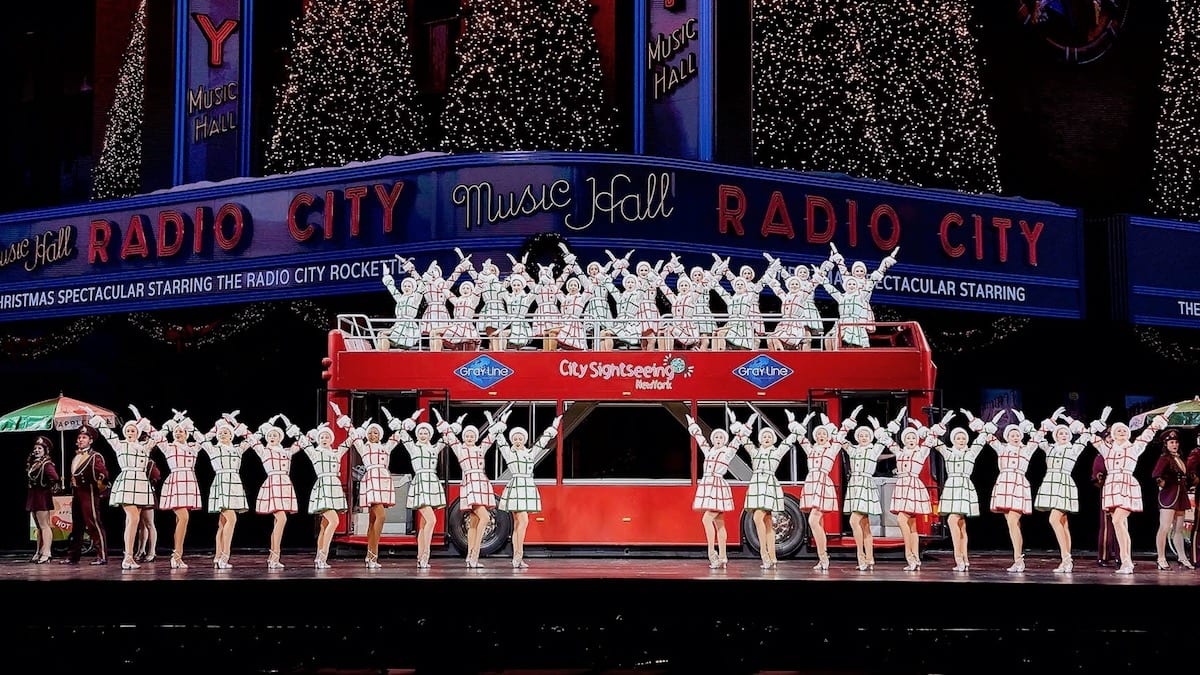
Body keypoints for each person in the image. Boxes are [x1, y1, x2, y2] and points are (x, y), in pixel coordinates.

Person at [1091, 404, 1173, 574]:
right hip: (1111, 486)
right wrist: (1101, 421)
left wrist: (1164, 416)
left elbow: (1149, 433)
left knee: (1117, 521)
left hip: (1127, 484)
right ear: (1113, 434)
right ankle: (1126, 561)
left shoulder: (1134, 447)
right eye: (1118, 431)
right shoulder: (1107, 449)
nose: (1122, 432)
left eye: (1124, 430)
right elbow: (1089, 437)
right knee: (1122, 525)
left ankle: (1126, 561)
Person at [932, 410, 999, 572]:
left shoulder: (971, 452)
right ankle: (964, 559)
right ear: (953, 440)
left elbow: (983, 436)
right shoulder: (948, 453)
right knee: (960, 524)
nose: (961, 440)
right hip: (951, 487)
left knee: (953, 521)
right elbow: (932, 440)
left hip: (964, 487)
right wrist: (942, 424)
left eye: (963, 438)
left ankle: (959, 559)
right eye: (957, 438)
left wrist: (973, 419)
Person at [90, 406, 157, 570]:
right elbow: (106, 432)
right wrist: (95, 417)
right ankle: (127, 557)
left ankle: (129, 556)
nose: (130, 432)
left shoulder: (145, 446)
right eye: (128, 429)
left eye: (133, 430)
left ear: (139, 432)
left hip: (141, 483)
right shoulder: (119, 444)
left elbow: (159, 437)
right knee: (133, 518)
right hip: (127, 481)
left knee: (132, 521)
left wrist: (144, 423)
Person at [495, 412, 560, 569]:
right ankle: (517, 556)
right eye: (515, 439)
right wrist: (501, 424)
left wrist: (553, 427)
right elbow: (500, 440)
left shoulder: (530, 453)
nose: (518, 441)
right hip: (516, 487)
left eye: (520, 438)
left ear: (524, 440)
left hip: (527, 487)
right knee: (522, 521)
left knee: (519, 523)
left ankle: (517, 557)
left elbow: (542, 442)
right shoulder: (509, 454)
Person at [435, 409, 500, 568]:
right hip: (470, 484)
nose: (469, 438)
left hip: (482, 483)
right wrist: (440, 420)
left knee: (474, 522)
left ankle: (470, 557)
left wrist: (492, 421)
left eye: (472, 436)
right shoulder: (461, 449)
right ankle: (474, 556)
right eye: (467, 436)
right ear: (464, 437)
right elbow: (450, 437)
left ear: (475, 437)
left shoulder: (480, 449)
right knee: (484, 518)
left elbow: (491, 437)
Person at [686, 412, 750, 568]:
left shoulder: (726, 453)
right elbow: (700, 439)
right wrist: (693, 425)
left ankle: (712, 554)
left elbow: (736, 442)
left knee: (706, 519)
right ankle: (723, 556)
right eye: (716, 437)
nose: (718, 440)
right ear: (713, 439)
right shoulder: (709, 451)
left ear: (724, 440)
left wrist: (744, 428)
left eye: (721, 438)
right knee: (719, 524)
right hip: (708, 486)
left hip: (717, 487)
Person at [737, 412, 800, 569]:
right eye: (764, 436)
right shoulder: (755, 452)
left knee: (762, 520)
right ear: (760, 439)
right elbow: (742, 439)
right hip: (757, 486)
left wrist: (793, 424)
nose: (767, 438)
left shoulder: (776, 452)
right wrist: (747, 425)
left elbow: (789, 441)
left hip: (769, 486)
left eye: (770, 437)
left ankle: (767, 555)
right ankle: (769, 556)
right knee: (763, 521)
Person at [1034, 409, 1092, 574]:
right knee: (1063, 523)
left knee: (1054, 519)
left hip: (1064, 484)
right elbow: (1036, 437)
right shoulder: (1049, 448)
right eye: (1060, 433)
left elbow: (1087, 435)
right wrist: (1051, 420)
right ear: (1055, 436)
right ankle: (1067, 561)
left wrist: (1071, 421)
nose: (1063, 435)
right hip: (1050, 483)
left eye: (1066, 433)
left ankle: (1066, 558)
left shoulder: (1074, 448)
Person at [343, 404, 400, 569]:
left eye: (375, 432)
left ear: (380, 435)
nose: (372, 435)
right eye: (370, 433)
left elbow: (399, 435)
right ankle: (373, 555)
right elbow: (353, 434)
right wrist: (343, 418)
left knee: (373, 520)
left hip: (383, 481)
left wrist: (391, 419)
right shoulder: (364, 447)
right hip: (371, 481)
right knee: (380, 516)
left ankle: (369, 557)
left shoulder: (385, 448)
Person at [876, 407, 932, 571]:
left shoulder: (921, 452)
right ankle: (914, 558)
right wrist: (898, 419)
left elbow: (931, 439)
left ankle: (910, 556)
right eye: (908, 437)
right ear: (904, 440)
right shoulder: (899, 452)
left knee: (903, 520)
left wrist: (919, 426)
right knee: (911, 524)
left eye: (913, 437)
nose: (911, 439)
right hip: (902, 486)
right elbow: (885, 439)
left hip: (914, 486)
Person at [988, 410, 1042, 573]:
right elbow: (985, 435)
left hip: (1018, 485)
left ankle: (1019, 560)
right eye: (1012, 435)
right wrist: (994, 420)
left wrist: (1024, 421)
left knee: (1012, 522)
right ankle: (1017, 559)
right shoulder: (1002, 449)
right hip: (1004, 484)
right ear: (1006, 437)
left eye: (1017, 434)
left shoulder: (1026, 449)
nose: (1015, 437)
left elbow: (1038, 436)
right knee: (1013, 524)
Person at [393, 409, 446, 568]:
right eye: (421, 432)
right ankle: (425, 556)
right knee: (431, 520)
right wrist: (413, 417)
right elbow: (402, 433)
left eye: (426, 432)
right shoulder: (413, 447)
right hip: (421, 484)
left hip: (432, 483)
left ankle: (421, 557)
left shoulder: (434, 448)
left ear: (430, 435)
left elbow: (448, 438)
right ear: (417, 434)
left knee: (424, 524)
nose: (423, 434)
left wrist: (442, 422)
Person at [200, 411, 253, 569]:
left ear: (231, 435)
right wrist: (213, 428)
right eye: (220, 432)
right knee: (231, 519)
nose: (223, 434)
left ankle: (218, 557)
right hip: (221, 483)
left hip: (235, 483)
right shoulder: (213, 449)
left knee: (223, 524)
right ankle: (225, 556)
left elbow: (252, 439)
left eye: (226, 432)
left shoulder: (237, 449)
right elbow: (201, 439)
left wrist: (235, 424)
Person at [250, 416, 303, 570]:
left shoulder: (287, 452)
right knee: (281, 519)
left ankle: (273, 558)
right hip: (273, 484)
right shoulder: (264, 451)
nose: (272, 437)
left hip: (285, 485)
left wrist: (289, 425)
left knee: (278, 521)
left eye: (276, 435)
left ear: (281, 437)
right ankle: (274, 555)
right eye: (270, 435)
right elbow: (251, 439)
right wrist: (267, 425)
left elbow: (304, 442)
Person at [795, 412, 846, 571]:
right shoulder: (811, 450)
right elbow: (800, 438)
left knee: (813, 521)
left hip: (823, 484)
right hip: (811, 483)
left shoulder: (831, 450)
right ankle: (822, 558)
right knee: (819, 524)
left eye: (824, 433)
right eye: (818, 434)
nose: (821, 436)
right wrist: (802, 422)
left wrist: (834, 426)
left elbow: (840, 438)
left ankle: (824, 557)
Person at [298, 419, 351, 569]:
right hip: (323, 488)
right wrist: (304, 434)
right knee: (334, 521)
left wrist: (353, 429)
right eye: (321, 437)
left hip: (334, 488)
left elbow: (348, 442)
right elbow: (303, 442)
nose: (324, 439)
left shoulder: (336, 453)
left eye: (327, 437)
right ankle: (323, 557)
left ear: (331, 439)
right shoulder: (315, 453)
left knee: (325, 525)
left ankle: (318, 558)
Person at [154, 409, 203, 569]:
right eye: (176, 431)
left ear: (187, 433)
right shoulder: (168, 447)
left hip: (189, 483)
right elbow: (156, 436)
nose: (178, 433)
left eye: (181, 431)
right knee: (184, 517)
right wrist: (171, 423)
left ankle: (177, 557)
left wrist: (190, 425)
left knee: (180, 520)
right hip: (176, 482)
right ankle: (176, 555)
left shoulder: (193, 447)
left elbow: (205, 440)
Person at [843, 418, 891, 571]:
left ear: (870, 437)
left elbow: (884, 439)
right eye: (861, 435)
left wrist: (877, 428)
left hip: (865, 486)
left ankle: (861, 558)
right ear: (857, 437)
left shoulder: (873, 450)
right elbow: (838, 440)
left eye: (866, 435)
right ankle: (870, 559)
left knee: (854, 521)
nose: (863, 438)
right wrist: (847, 424)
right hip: (855, 486)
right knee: (865, 525)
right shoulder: (853, 449)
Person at [61, 424, 109, 565]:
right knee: (77, 526)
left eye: (84, 437)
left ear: (91, 440)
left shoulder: (95, 456)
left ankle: (102, 555)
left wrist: (99, 487)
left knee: (93, 524)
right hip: (77, 493)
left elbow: (104, 475)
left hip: (89, 492)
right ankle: (73, 556)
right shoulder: (76, 456)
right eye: (79, 437)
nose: (81, 440)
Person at [1151, 428, 1194, 570]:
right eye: (1171, 442)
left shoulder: (1179, 458)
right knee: (1164, 527)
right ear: (1166, 444)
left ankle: (1182, 557)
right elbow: (1156, 474)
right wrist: (1162, 483)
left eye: (1176, 442)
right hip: (1169, 496)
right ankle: (1161, 558)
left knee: (1178, 529)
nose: (1174, 445)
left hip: (1180, 495)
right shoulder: (1165, 458)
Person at [26, 435, 60, 564]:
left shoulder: (47, 464)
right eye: (35, 448)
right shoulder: (35, 463)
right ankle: (39, 551)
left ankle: (47, 553)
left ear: (45, 450)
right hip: (33, 495)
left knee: (44, 526)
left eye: (40, 448)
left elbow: (55, 477)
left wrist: (48, 486)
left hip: (42, 496)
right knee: (38, 526)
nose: (37, 450)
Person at [379, 261, 424, 351]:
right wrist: (386, 276)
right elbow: (392, 289)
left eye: (409, 286)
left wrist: (428, 275)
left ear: (413, 288)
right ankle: (381, 356)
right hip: (399, 325)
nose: (406, 288)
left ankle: (382, 357)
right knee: (381, 334)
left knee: (383, 334)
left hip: (407, 328)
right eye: (405, 286)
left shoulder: (415, 299)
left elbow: (421, 287)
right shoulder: (400, 299)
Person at [134, 455, 163, 563]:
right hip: (136, 493)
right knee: (141, 525)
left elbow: (156, 475)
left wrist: (150, 481)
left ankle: (152, 551)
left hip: (146, 493)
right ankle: (141, 550)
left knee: (149, 523)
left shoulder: (149, 461)